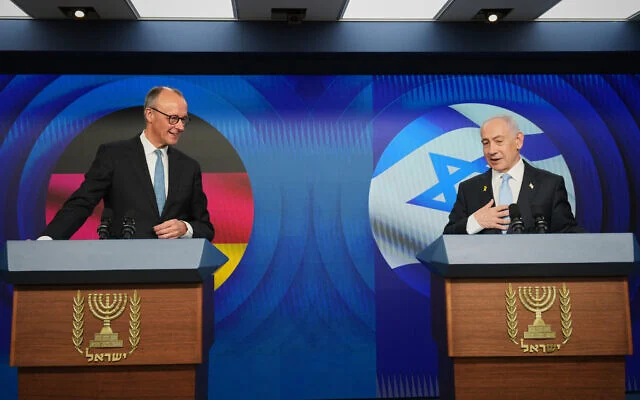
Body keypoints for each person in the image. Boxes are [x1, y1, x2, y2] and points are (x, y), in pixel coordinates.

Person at [39, 86, 214, 240]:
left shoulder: (189, 167)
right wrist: (49, 238)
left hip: (176, 264)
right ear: (150, 114)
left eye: (184, 120)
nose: (180, 127)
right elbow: (82, 203)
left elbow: (205, 228)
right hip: (124, 262)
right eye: (173, 118)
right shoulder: (114, 155)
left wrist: (186, 228)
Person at [444, 115, 582, 234]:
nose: (491, 150)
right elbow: (448, 237)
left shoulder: (550, 185)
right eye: (486, 143)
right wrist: (475, 222)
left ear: (518, 141)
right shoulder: (469, 189)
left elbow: (569, 236)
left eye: (499, 141)